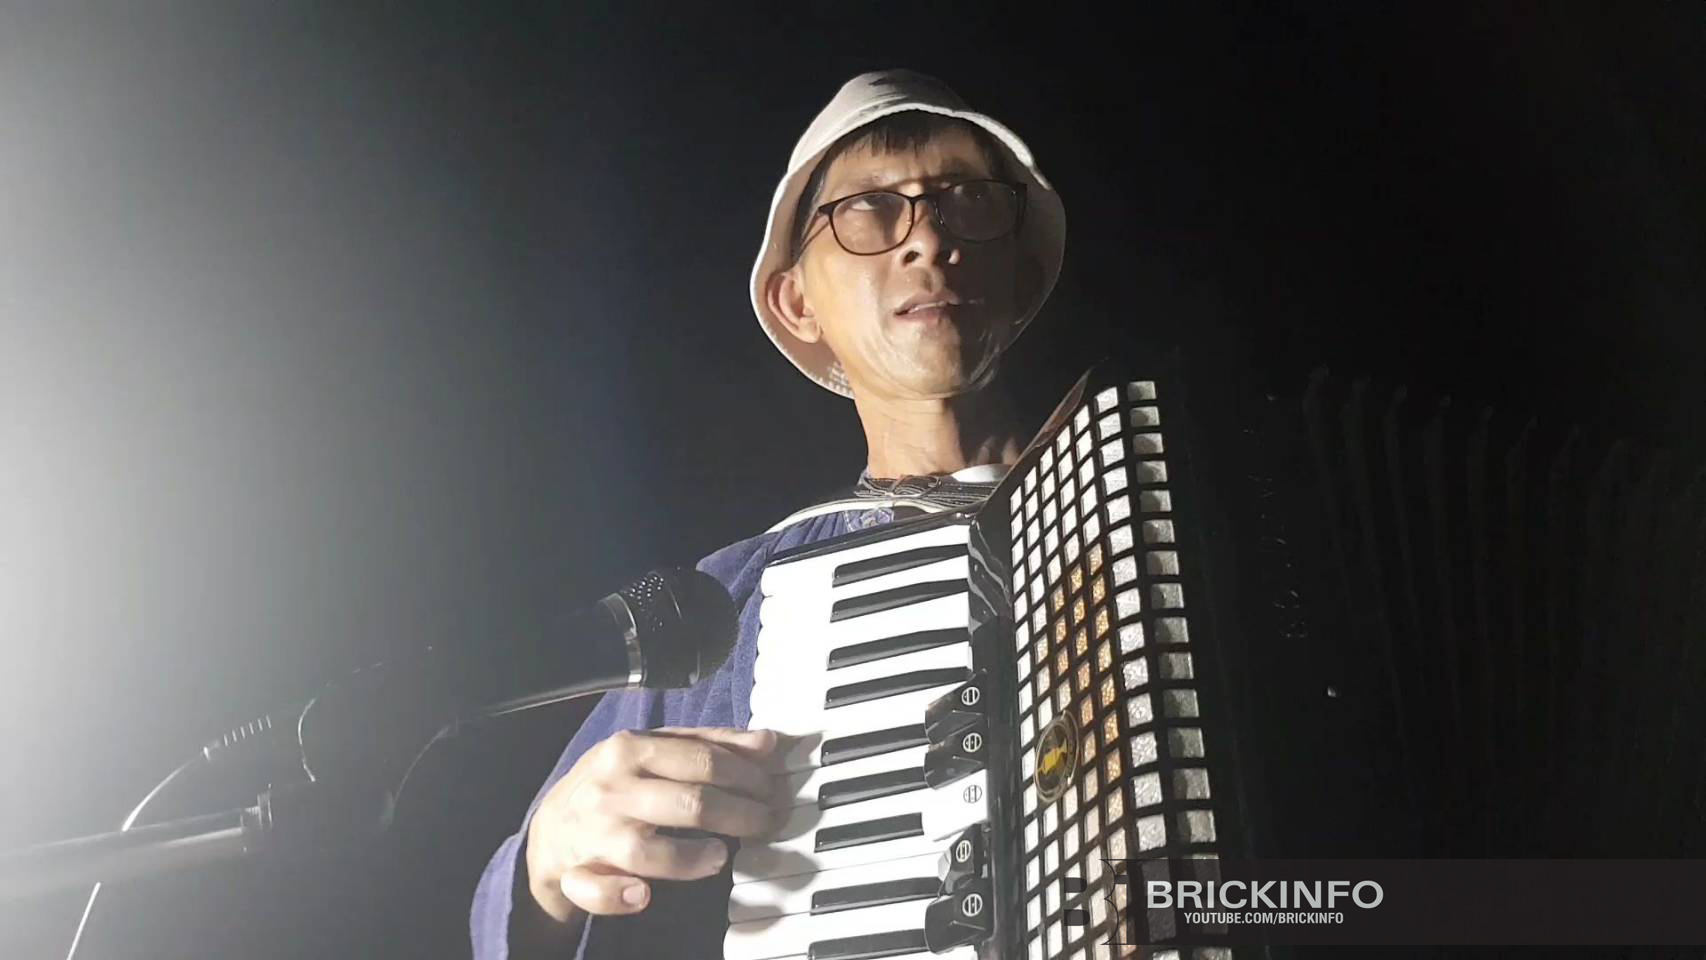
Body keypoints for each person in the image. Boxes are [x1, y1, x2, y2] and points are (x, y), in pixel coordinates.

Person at [469, 67, 1066, 960]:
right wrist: (547, 862)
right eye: (871, 209)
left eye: (968, 201)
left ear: (1021, 270)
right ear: (798, 302)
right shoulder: (736, 597)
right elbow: (518, 915)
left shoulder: (1179, 499)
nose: (929, 238)